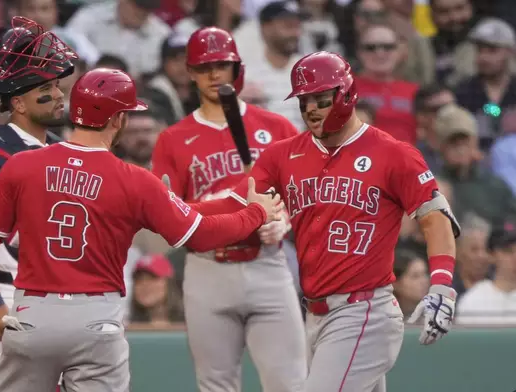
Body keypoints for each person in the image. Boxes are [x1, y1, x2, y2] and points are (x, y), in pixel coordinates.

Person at [0, 67, 283, 392]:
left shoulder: (21, 165)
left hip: (31, 313)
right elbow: (200, 233)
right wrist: (255, 213)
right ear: (117, 120)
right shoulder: (134, 180)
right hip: (95, 320)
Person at [185, 51, 461, 392]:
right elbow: (236, 202)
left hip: (364, 311)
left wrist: (442, 286)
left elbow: (435, 218)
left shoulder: (393, 153)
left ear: (346, 95)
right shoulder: (282, 154)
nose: (311, 109)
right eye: (304, 101)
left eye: (320, 99)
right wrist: (173, 208)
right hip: (315, 315)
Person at [151, 26, 307, 392]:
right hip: (208, 269)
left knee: (291, 383)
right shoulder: (173, 139)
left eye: (222, 65)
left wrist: (282, 222)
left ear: (237, 68)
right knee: (215, 385)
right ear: (190, 72)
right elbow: (167, 215)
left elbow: (300, 194)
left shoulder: (276, 126)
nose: (214, 74)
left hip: (267, 263)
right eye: (204, 67)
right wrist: (225, 204)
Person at [0, 16, 77, 392]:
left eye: (57, 86)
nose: (59, 95)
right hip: (7, 292)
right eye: (47, 87)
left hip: (60, 293)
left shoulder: (62, 151)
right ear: (18, 102)